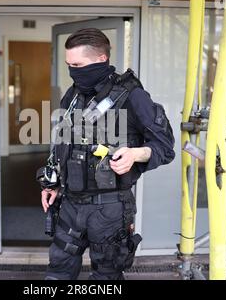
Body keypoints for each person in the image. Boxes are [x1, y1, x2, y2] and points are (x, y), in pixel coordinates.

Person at [40, 28, 175, 280]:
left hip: (109, 209)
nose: (73, 71)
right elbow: (64, 143)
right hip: (70, 204)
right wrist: (54, 183)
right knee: (57, 271)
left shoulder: (133, 96)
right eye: (69, 65)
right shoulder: (73, 95)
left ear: (101, 59)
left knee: (106, 277)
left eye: (78, 65)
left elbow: (165, 147)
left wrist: (136, 154)